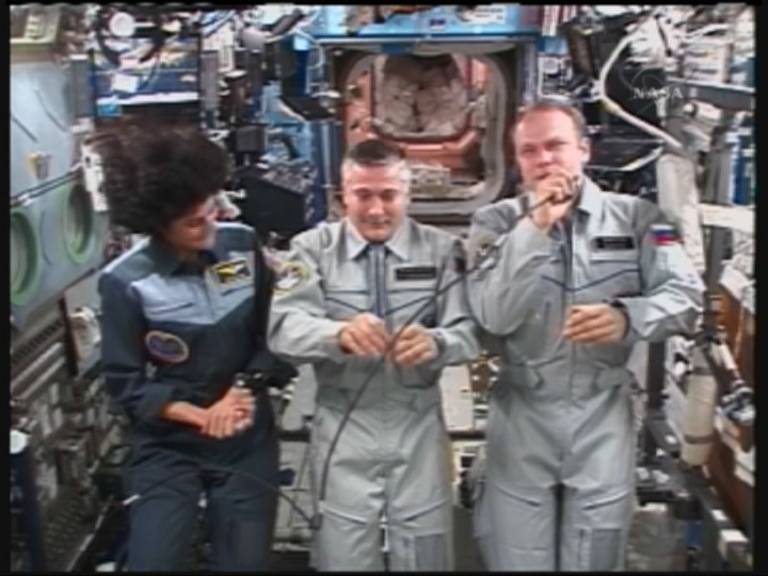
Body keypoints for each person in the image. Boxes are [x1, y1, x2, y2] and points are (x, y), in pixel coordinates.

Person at [466, 100, 704, 571]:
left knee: (595, 555)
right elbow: (493, 315)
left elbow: (688, 297)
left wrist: (628, 317)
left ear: (584, 150)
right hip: (522, 416)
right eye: (529, 150)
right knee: (518, 557)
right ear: (517, 161)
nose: (544, 159)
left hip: (602, 417)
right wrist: (534, 229)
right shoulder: (493, 224)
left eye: (555, 145)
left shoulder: (641, 219)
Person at [267, 138, 479, 571]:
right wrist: (337, 334)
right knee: (342, 555)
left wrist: (437, 343)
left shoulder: (443, 251)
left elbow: (472, 333)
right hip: (342, 424)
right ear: (342, 196)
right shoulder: (311, 250)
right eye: (363, 195)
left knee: (425, 554)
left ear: (408, 194)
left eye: (389, 195)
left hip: (418, 424)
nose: (377, 210)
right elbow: (283, 330)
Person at [96, 122, 280, 571]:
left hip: (244, 434)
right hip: (168, 445)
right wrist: (200, 415)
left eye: (212, 212)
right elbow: (126, 382)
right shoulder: (126, 282)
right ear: (159, 227)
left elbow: (274, 332)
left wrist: (241, 391)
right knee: (154, 560)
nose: (211, 226)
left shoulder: (241, 246)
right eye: (194, 223)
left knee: (244, 562)